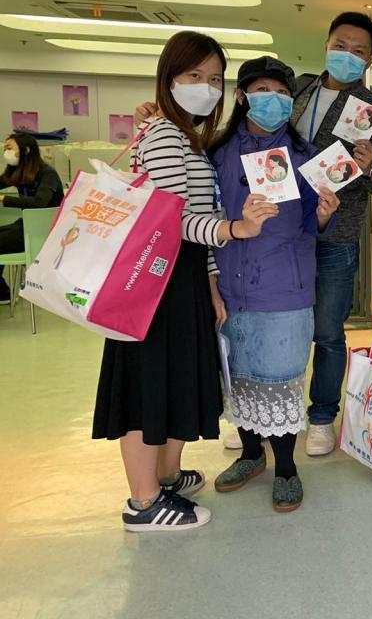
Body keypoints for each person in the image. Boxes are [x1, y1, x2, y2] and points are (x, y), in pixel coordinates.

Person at [94, 31, 279, 532]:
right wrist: (235, 229)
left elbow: (195, 210)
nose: (206, 87)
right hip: (154, 280)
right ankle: (143, 502)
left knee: (171, 378)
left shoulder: (184, 137)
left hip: (183, 276)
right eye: (194, 75)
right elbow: (171, 220)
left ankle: (164, 477)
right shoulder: (164, 135)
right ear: (169, 78)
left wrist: (212, 281)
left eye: (215, 79)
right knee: (147, 385)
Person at [208, 57, 338, 512]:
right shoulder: (217, 153)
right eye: (263, 90)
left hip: (285, 287)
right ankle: (250, 455)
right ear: (242, 96)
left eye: (282, 92)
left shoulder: (305, 156)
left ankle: (285, 467)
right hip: (230, 286)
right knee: (239, 377)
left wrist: (322, 213)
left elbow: (312, 224)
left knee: (280, 381)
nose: (274, 100)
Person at [290, 11, 372, 456]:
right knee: (279, 324)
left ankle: (321, 416)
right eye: (340, 45)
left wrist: (370, 167)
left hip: (337, 235)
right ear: (326, 44)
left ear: (370, 58)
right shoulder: (296, 92)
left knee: (328, 331)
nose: (347, 55)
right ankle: (273, 412)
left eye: (358, 51)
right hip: (282, 231)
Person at [0, 134, 64, 303]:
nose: (6, 152)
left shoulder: (47, 173)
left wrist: (4, 199)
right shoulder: (18, 172)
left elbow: (39, 202)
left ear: (26, 150)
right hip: (27, 226)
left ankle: (2, 292)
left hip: (44, 232)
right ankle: (2, 292)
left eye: (9, 148)